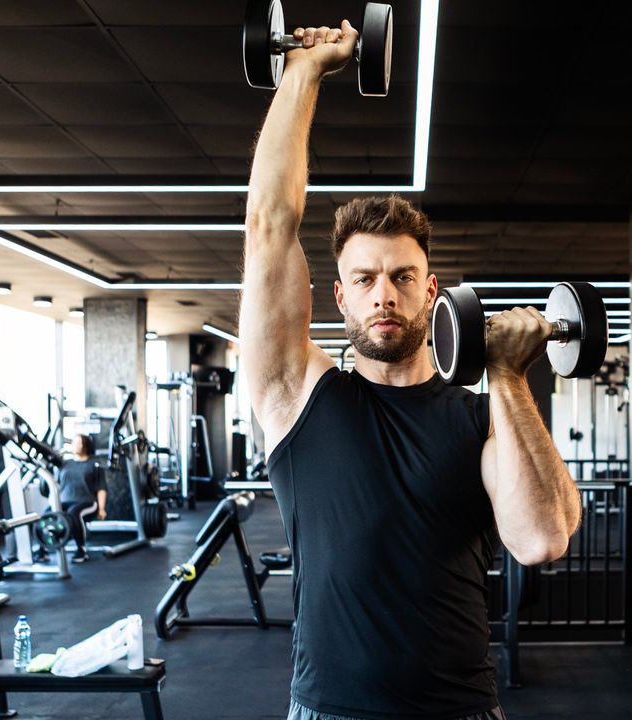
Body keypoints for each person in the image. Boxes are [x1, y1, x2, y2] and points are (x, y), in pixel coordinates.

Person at [239, 20, 582, 720]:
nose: (382, 294)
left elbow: (542, 538)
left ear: (432, 291)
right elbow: (268, 225)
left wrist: (510, 378)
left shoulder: (484, 420)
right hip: (327, 710)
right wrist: (303, 71)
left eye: (402, 276)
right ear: (339, 297)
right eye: (363, 279)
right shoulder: (298, 400)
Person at [37, 434, 107, 564]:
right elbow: (55, 485)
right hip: (64, 501)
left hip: (87, 502)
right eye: (73, 442)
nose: (74, 445)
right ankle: (42, 550)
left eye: (78, 443)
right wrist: (52, 502)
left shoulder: (94, 464)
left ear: (85, 446)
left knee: (75, 514)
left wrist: (101, 508)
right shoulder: (65, 463)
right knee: (47, 515)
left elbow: (101, 488)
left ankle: (81, 550)